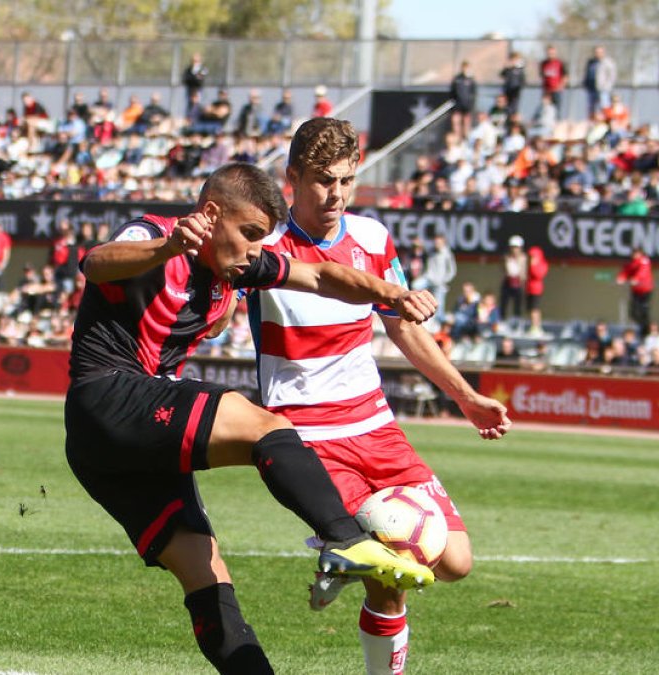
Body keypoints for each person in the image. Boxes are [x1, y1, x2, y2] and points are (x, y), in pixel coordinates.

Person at [65, 162, 437, 675]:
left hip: (105, 449)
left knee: (208, 576)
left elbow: (322, 274)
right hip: (109, 395)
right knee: (267, 426)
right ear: (211, 214)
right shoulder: (154, 232)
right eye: (249, 234)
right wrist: (169, 246)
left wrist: (392, 295)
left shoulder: (242, 264)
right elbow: (97, 263)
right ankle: (344, 537)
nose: (254, 250)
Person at [247, 118, 510, 675]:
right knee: (393, 582)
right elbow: (220, 313)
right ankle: (348, 555)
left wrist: (464, 397)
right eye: (322, 180)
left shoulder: (371, 238)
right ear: (292, 177)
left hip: (376, 427)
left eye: (346, 179)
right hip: (308, 437)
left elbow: (403, 328)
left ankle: (341, 555)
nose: (336, 193)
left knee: (456, 561)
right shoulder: (264, 247)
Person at [415, 234, 456, 322]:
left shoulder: (447, 254)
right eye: (435, 242)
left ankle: (444, 322)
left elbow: (452, 271)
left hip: (439, 283)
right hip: (428, 279)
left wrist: (444, 280)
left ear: (443, 243)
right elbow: (422, 252)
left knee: (439, 309)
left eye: (439, 242)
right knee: (415, 285)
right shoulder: (431, 251)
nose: (437, 244)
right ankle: (416, 309)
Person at [616, 247, 653, 337]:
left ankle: (646, 331)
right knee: (633, 313)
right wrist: (621, 278)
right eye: (634, 253)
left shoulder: (645, 261)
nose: (635, 255)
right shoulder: (631, 263)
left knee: (644, 312)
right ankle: (643, 327)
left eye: (637, 253)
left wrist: (636, 279)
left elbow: (643, 271)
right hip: (636, 291)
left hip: (645, 290)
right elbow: (625, 272)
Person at [583, 45, 617, 120]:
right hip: (591, 88)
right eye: (596, 52)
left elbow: (612, 76)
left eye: (600, 52)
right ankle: (592, 121)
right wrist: (586, 84)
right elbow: (587, 74)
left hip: (603, 89)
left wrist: (606, 86)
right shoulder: (591, 62)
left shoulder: (608, 62)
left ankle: (606, 121)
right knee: (591, 107)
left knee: (604, 106)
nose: (598, 54)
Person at [499, 235, 527, 322]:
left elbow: (524, 271)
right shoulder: (506, 257)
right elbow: (503, 268)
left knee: (517, 305)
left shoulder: (523, 258)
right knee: (504, 303)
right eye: (513, 247)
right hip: (508, 282)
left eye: (516, 247)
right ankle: (502, 321)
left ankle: (517, 322)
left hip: (518, 283)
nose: (514, 250)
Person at [525, 245, 549, 337]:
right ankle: (532, 326)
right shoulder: (528, 264)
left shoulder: (542, 264)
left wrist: (533, 265)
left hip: (536, 290)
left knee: (534, 309)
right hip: (529, 289)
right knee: (531, 309)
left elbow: (538, 275)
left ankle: (536, 327)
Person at [449, 61, 477, 137]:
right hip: (458, 104)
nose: (465, 69)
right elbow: (452, 92)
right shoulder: (457, 79)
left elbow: (474, 93)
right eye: (464, 67)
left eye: (467, 67)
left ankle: (466, 138)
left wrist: (471, 105)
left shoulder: (471, 80)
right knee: (456, 122)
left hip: (467, 105)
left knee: (466, 123)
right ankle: (457, 137)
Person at [539, 45, 569, 113]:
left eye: (552, 53)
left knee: (556, 109)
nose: (550, 55)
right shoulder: (543, 63)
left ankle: (556, 122)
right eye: (549, 53)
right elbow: (542, 76)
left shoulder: (560, 63)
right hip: (547, 91)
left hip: (556, 90)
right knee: (545, 109)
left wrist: (561, 86)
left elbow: (565, 76)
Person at [499, 51, 526, 115]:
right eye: (512, 59)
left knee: (514, 108)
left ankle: (513, 121)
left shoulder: (520, 69)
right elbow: (502, 74)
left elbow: (523, 80)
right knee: (506, 107)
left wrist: (519, 88)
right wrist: (505, 67)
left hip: (515, 91)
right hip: (507, 90)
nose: (513, 61)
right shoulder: (508, 69)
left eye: (515, 59)